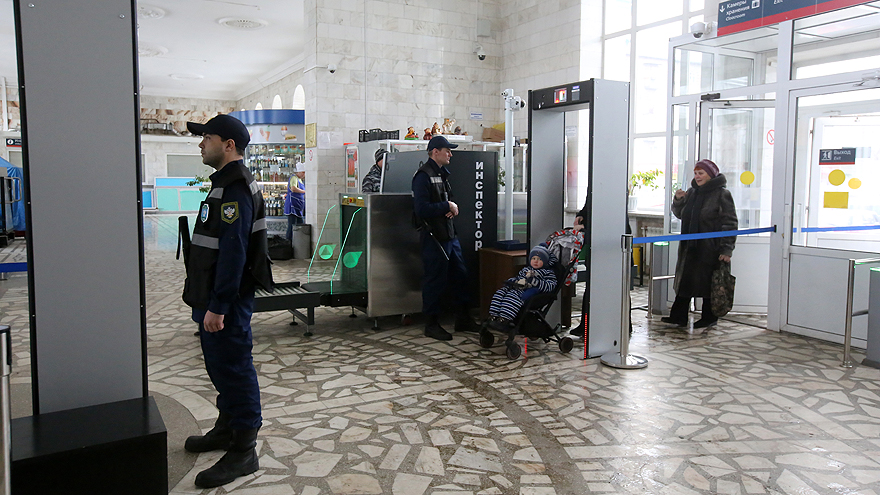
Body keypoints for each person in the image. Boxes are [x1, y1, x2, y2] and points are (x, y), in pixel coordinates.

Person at [181, 114, 273, 489]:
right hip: (212, 296)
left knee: (234, 371)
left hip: (226, 302)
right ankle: (226, 427)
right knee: (221, 369)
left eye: (207, 137)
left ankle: (244, 449)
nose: (201, 143)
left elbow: (234, 252)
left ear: (228, 144)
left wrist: (219, 305)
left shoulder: (235, 187)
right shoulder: (223, 184)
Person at [412, 135, 479, 340]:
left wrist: (449, 206)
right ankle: (431, 324)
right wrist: (446, 206)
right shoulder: (423, 176)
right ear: (435, 152)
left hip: (449, 234)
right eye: (447, 150)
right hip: (434, 236)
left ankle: (463, 318)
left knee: (461, 275)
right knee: (435, 280)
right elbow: (421, 209)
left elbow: (446, 199)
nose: (450, 154)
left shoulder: (442, 174)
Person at [661, 158, 737, 329]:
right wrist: (678, 200)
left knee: (708, 283)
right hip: (690, 248)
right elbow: (681, 214)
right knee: (685, 282)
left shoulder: (722, 194)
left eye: (701, 173)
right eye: (695, 173)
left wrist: (727, 249)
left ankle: (709, 317)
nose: (697, 176)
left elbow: (730, 223)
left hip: (710, 248)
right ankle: (678, 316)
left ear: (710, 174)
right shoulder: (692, 192)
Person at [488, 245, 558, 328]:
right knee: (500, 292)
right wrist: (513, 281)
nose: (536, 261)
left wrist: (534, 281)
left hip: (529, 291)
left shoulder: (547, 273)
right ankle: (494, 315)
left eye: (539, 259)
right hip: (518, 287)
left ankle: (505, 318)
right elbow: (519, 277)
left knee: (511, 297)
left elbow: (550, 285)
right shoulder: (526, 270)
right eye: (533, 258)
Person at [285, 170, 305, 241]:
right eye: (303, 172)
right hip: (292, 206)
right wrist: (305, 191)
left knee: (300, 224)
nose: (304, 175)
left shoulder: (300, 180)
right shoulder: (294, 178)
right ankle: (289, 242)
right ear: (298, 172)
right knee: (292, 225)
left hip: (298, 206)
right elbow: (293, 188)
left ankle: (298, 242)